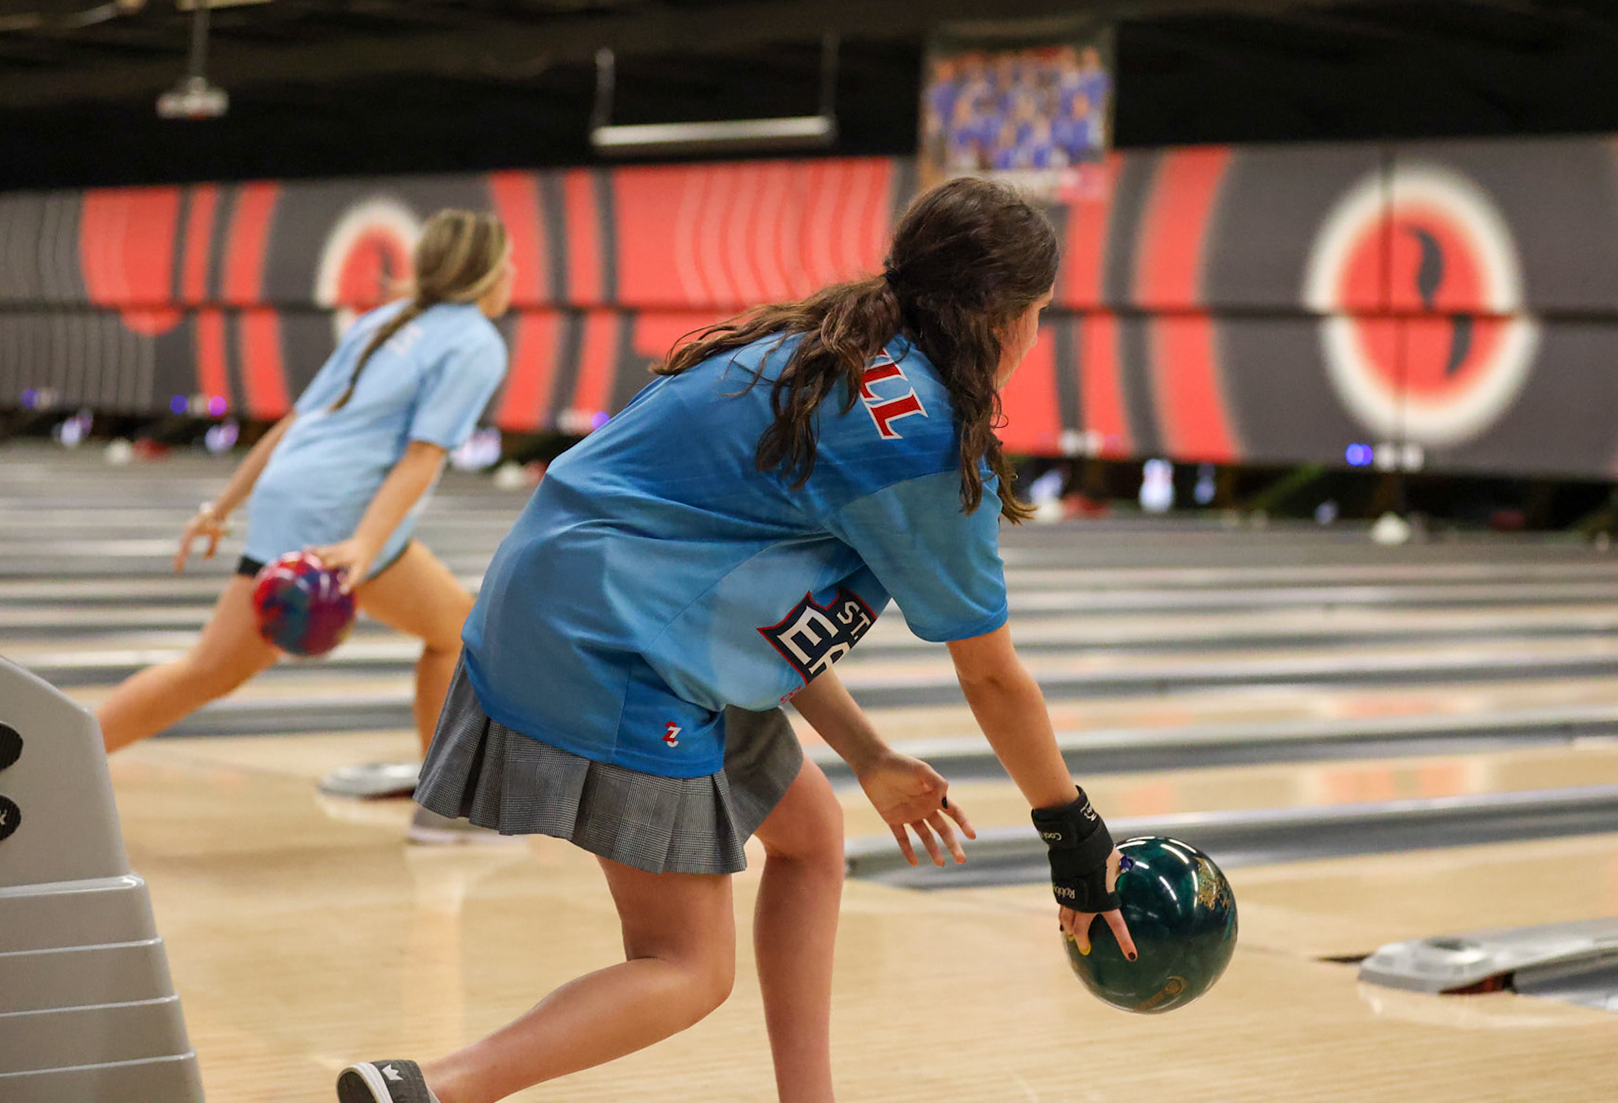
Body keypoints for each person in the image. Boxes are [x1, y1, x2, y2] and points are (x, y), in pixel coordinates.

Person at [338, 178, 1135, 1103]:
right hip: (618, 651)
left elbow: (742, 596)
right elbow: (991, 678)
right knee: (687, 965)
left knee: (810, 834)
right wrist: (1073, 839)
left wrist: (869, 754)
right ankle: (428, 1088)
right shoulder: (916, 439)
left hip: (563, 600)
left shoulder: (810, 347)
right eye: (1039, 315)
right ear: (1006, 320)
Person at [95, 209, 512, 842]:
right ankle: (440, 809)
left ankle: (441, 802)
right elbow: (422, 455)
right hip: (337, 511)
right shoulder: (475, 341)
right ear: (485, 273)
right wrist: (363, 545)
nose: (512, 274)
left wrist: (224, 505)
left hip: (302, 494)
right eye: (507, 262)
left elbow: (296, 421)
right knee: (451, 635)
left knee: (451, 630)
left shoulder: (385, 321)